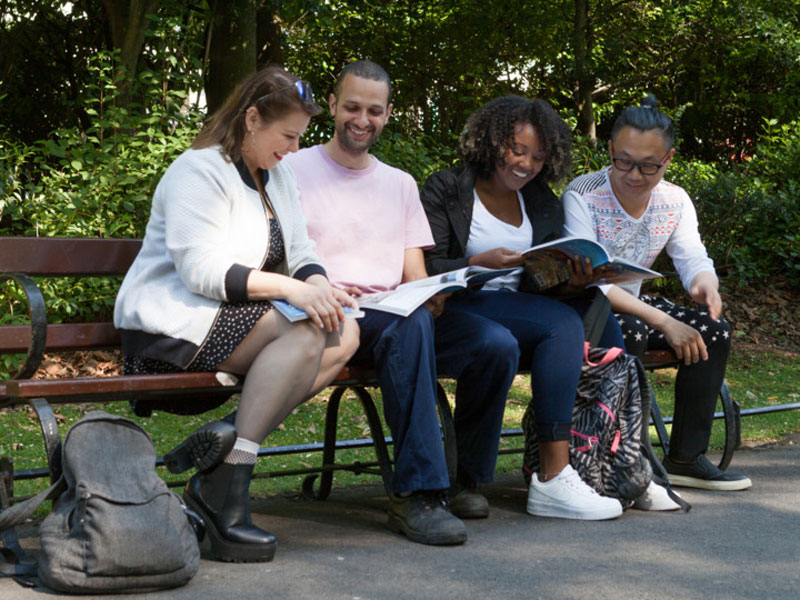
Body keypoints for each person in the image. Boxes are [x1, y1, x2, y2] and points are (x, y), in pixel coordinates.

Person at [113, 67, 360, 563]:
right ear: (251, 119)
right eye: (287, 135)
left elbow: (301, 248)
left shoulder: (277, 175)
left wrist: (319, 287)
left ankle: (226, 450)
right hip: (171, 327)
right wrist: (293, 290)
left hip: (233, 322)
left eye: (298, 138)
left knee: (344, 330)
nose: (293, 149)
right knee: (307, 335)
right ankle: (227, 492)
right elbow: (200, 271)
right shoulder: (197, 169)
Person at [285, 60, 519, 545]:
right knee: (409, 328)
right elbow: (279, 254)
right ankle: (419, 495)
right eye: (351, 107)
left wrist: (431, 295)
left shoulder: (400, 183)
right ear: (331, 106)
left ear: (389, 113)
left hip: (395, 313)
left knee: (495, 343)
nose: (361, 119)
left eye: (374, 110)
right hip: (329, 314)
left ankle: (465, 481)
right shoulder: (293, 168)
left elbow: (414, 274)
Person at [420, 95, 675, 519]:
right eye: (516, 150)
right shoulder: (448, 188)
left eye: (538, 157)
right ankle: (554, 476)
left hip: (518, 308)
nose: (525, 164)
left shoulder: (537, 199)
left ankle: (619, 464)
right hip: (455, 307)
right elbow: (422, 265)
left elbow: (542, 280)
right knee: (545, 328)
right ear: (492, 141)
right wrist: (474, 262)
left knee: (592, 306)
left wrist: (574, 278)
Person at [562, 96, 751, 491]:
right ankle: (615, 460)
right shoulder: (582, 194)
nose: (635, 174)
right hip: (588, 306)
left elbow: (692, 256)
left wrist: (705, 284)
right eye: (624, 161)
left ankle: (685, 457)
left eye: (649, 165)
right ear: (610, 150)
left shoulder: (675, 199)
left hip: (635, 304)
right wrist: (667, 322)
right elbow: (595, 282)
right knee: (628, 332)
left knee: (713, 330)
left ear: (668, 158)